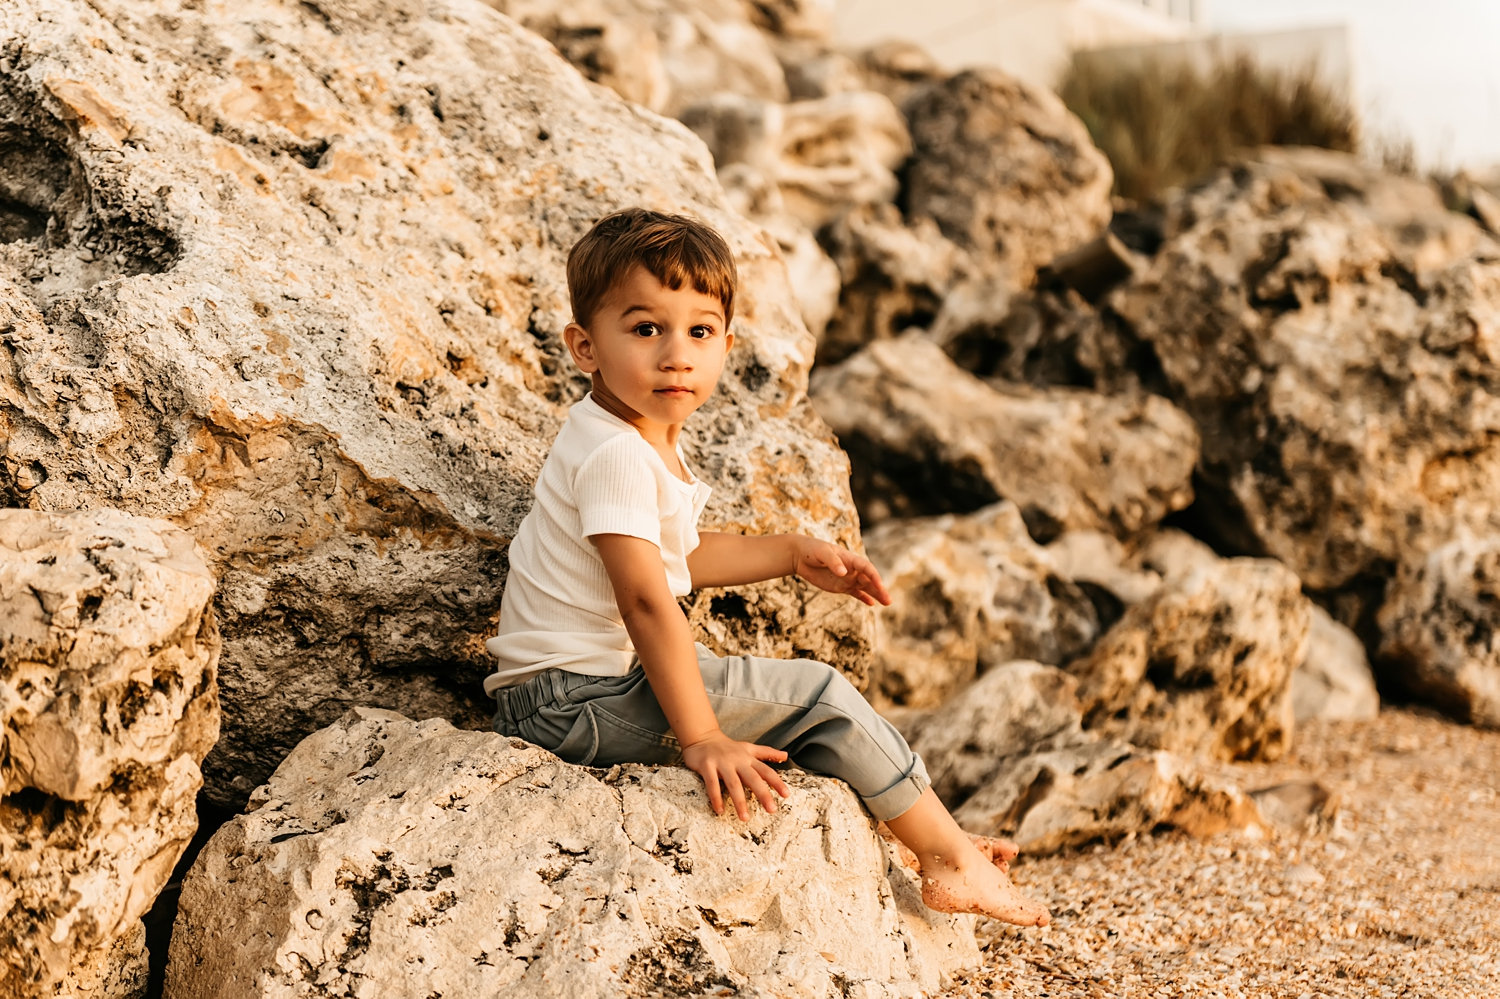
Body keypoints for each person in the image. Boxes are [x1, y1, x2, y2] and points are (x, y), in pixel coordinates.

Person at [485, 207, 1049, 927]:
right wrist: (702, 737)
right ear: (585, 345)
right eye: (645, 328)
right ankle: (944, 855)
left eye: (699, 330)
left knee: (793, 701)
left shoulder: (627, 435)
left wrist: (788, 551)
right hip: (569, 702)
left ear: (726, 342)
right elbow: (646, 601)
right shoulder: (617, 454)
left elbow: (675, 557)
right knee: (819, 696)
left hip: (573, 691)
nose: (675, 355)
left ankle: (927, 830)